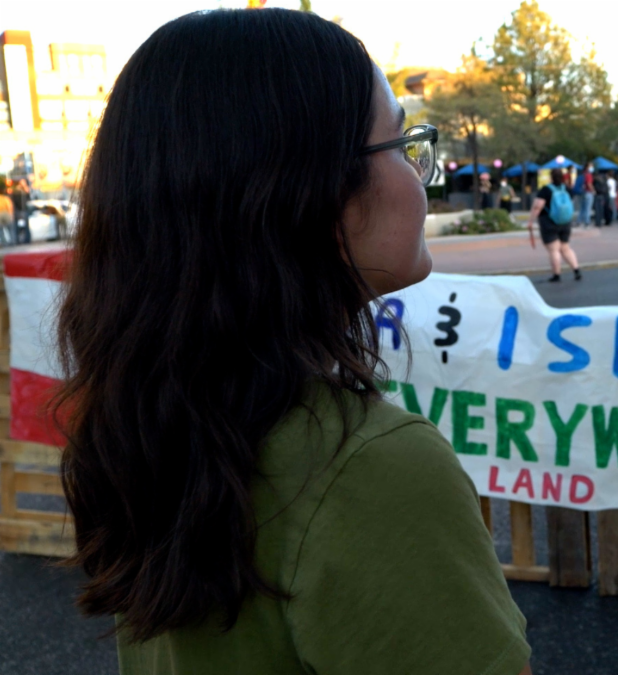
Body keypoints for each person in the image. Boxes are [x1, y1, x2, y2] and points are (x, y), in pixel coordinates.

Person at [53, 10, 531, 675]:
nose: (420, 174)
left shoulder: (157, 425)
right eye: (399, 144)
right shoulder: (372, 469)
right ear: (305, 192)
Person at [528, 168, 582, 282]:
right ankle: (576, 270)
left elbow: (538, 206)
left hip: (549, 222)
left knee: (554, 250)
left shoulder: (546, 190)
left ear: (551, 177)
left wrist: (531, 221)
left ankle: (556, 274)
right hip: (565, 222)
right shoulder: (567, 188)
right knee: (565, 248)